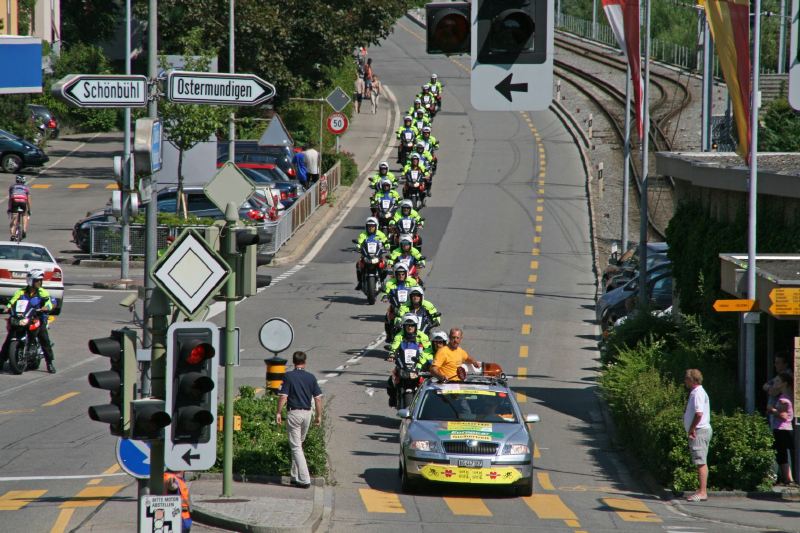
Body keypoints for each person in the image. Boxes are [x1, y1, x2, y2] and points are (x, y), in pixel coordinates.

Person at [276, 351, 323, 489]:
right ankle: (294, 475)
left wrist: (278, 412)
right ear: (305, 362)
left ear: (294, 361)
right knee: (298, 445)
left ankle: (304, 479)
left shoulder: (288, 376)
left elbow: (283, 396)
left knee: (296, 447)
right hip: (307, 414)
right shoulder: (311, 377)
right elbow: (318, 398)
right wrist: (319, 416)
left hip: (294, 413)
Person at [0, 269, 56, 373]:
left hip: (37, 318)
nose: (40, 282)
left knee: (44, 339)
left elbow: (49, 302)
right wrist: (7, 307)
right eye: (37, 280)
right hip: (22, 318)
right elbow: (12, 301)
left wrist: (47, 307)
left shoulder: (42, 292)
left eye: (40, 280)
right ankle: (1, 361)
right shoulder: (20, 292)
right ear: (30, 281)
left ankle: (50, 363)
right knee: (10, 338)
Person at [683, 368, 712, 502]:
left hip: (699, 431)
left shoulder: (697, 393)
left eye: (686, 379)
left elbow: (699, 414)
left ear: (692, 379)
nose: (685, 381)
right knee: (699, 461)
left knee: (700, 461)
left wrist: (692, 428)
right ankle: (701, 490)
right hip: (699, 430)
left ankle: (702, 492)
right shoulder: (697, 392)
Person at [767, 371, 795, 486]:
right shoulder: (784, 396)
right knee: (781, 454)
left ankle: (788, 478)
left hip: (782, 429)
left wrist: (772, 409)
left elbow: (783, 415)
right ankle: (787, 478)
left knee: (781, 453)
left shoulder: (784, 399)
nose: (775, 383)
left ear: (784, 383)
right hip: (781, 428)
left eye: (778, 381)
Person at [354, 217, 388, 291]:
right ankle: (360, 282)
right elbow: (359, 242)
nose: (370, 228)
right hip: (366, 255)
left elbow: (385, 241)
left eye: (372, 226)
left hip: (377, 255)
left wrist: (387, 245)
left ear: (376, 226)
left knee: (384, 265)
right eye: (369, 226)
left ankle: (382, 282)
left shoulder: (380, 234)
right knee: (358, 265)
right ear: (366, 227)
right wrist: (358, 246)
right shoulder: (363, 234)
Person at [8, 175, 31, 240]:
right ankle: (24, 230)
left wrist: (9, 209)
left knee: (14, 217)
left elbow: (10, 199)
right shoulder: (26, 188)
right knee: (24, 214)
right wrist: (29, 209)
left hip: (14, 201)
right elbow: (28, 200)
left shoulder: (12, 187)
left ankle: (13, 234)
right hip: (23, 202)